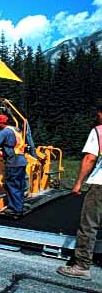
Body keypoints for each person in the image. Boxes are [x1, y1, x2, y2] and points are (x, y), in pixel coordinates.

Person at [56, 107, 102, 280]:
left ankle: (82, 266)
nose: (96, 116)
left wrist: (78, 183)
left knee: (89, 224)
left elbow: (90, 158)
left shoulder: (98, 131)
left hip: (100, 184)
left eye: (98, 113)